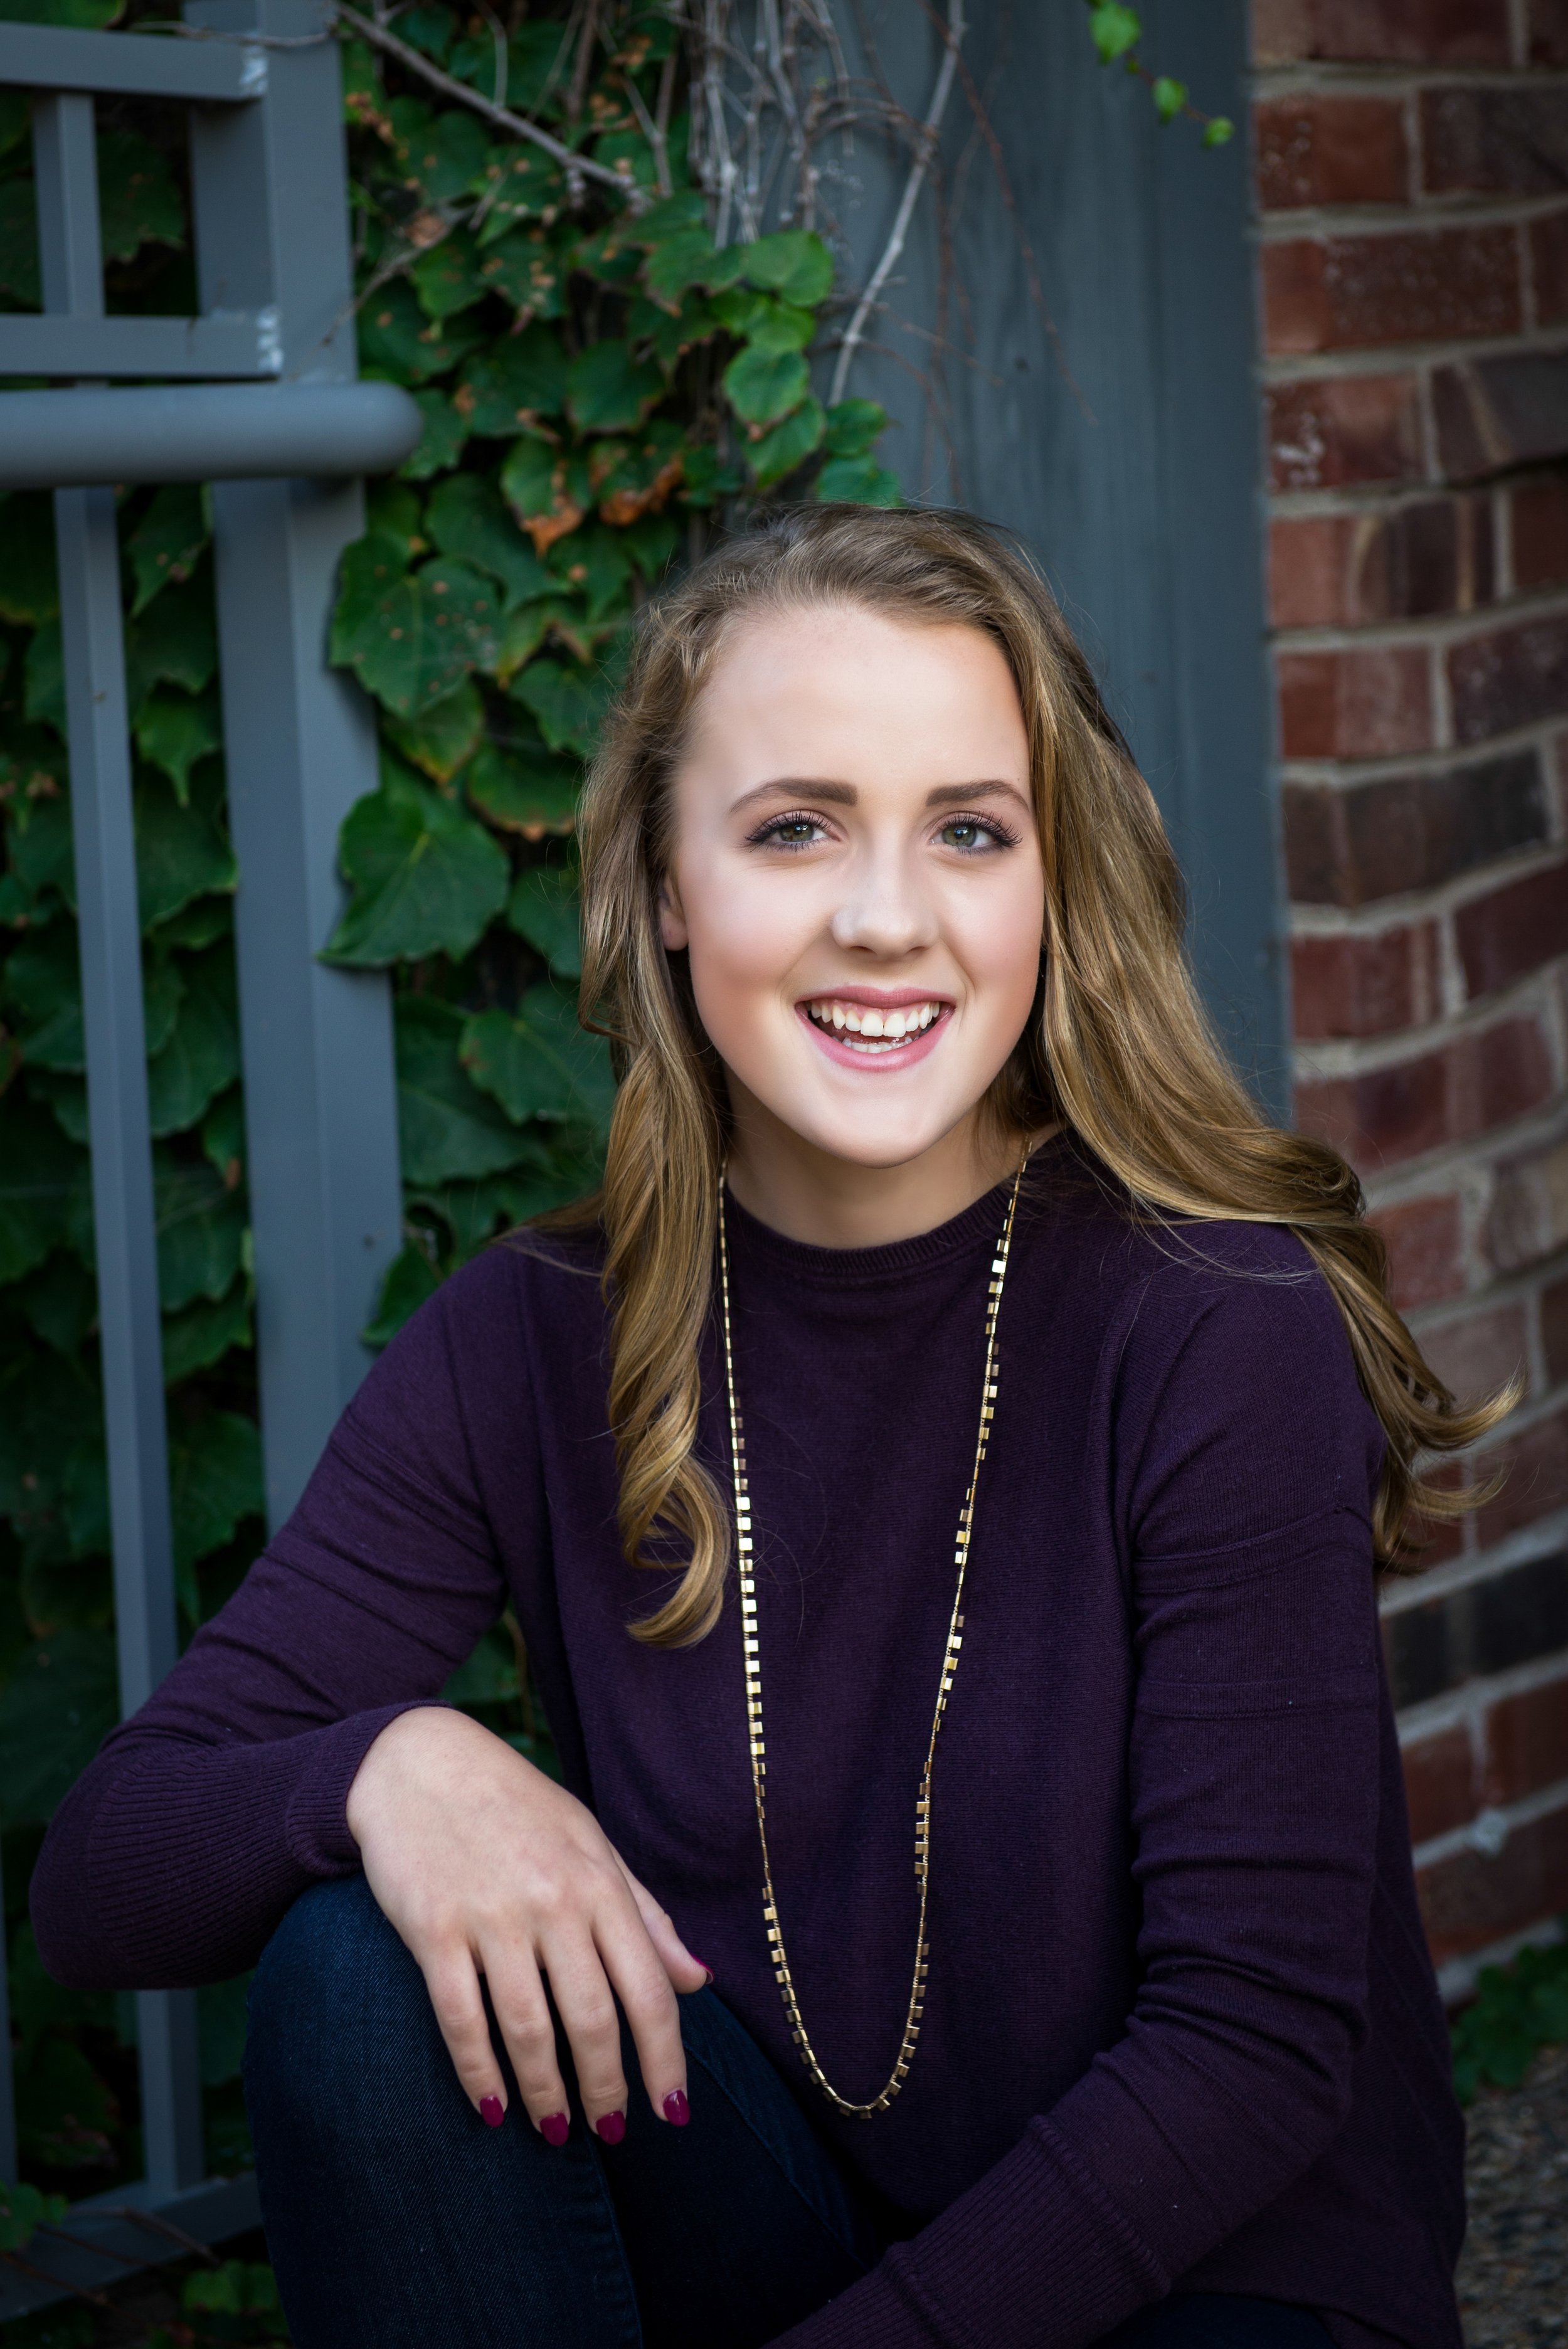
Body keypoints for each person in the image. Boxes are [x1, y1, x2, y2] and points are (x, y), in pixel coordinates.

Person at [32, 507, 1500, 2349]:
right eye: (794, 826)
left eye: (968, 829)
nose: (887, 914)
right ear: (662, 882)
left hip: (1211, 2272)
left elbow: (1249, 2047)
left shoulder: (1212, 1318)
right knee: (359, 1963)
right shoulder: (533, 1337)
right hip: (789, 2228)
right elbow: (103, 1871)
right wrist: (386, 1767)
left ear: (1051, 883)